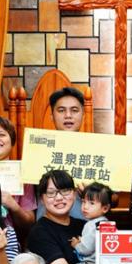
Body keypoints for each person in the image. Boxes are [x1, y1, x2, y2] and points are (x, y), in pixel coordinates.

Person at [56, 181, 112, 264]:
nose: (85, 207)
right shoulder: (104, 223)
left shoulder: (92, 225)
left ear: (105, 208)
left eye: (91, 203)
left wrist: (77, 245)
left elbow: (86, 249)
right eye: (83, 202)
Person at [36, 87, 88, 220]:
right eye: (61, 110)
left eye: (74, 110)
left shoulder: (99, 149)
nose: (68, 115)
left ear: (83, 114)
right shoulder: (37, 150)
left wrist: (93, 192)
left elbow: (114, 200)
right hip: (48, 229)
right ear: (52, 116)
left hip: (86, 232)